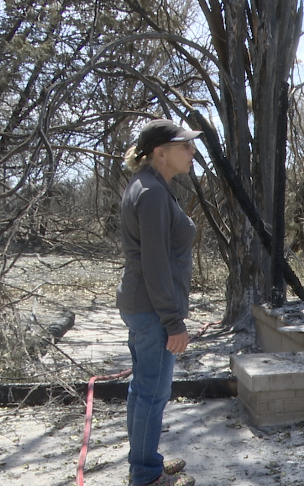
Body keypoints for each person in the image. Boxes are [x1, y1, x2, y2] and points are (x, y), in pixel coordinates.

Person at [117, 119, 201, 486]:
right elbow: (155, 263)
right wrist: (173, 321)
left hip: (143, 305)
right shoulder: (150, 192)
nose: (192, 152)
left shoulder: (152, 187)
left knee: (143, 389)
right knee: (153, 392)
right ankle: (147, 476)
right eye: (185, 146)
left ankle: (144, 462)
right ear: (159, 152)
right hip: (152, 309)